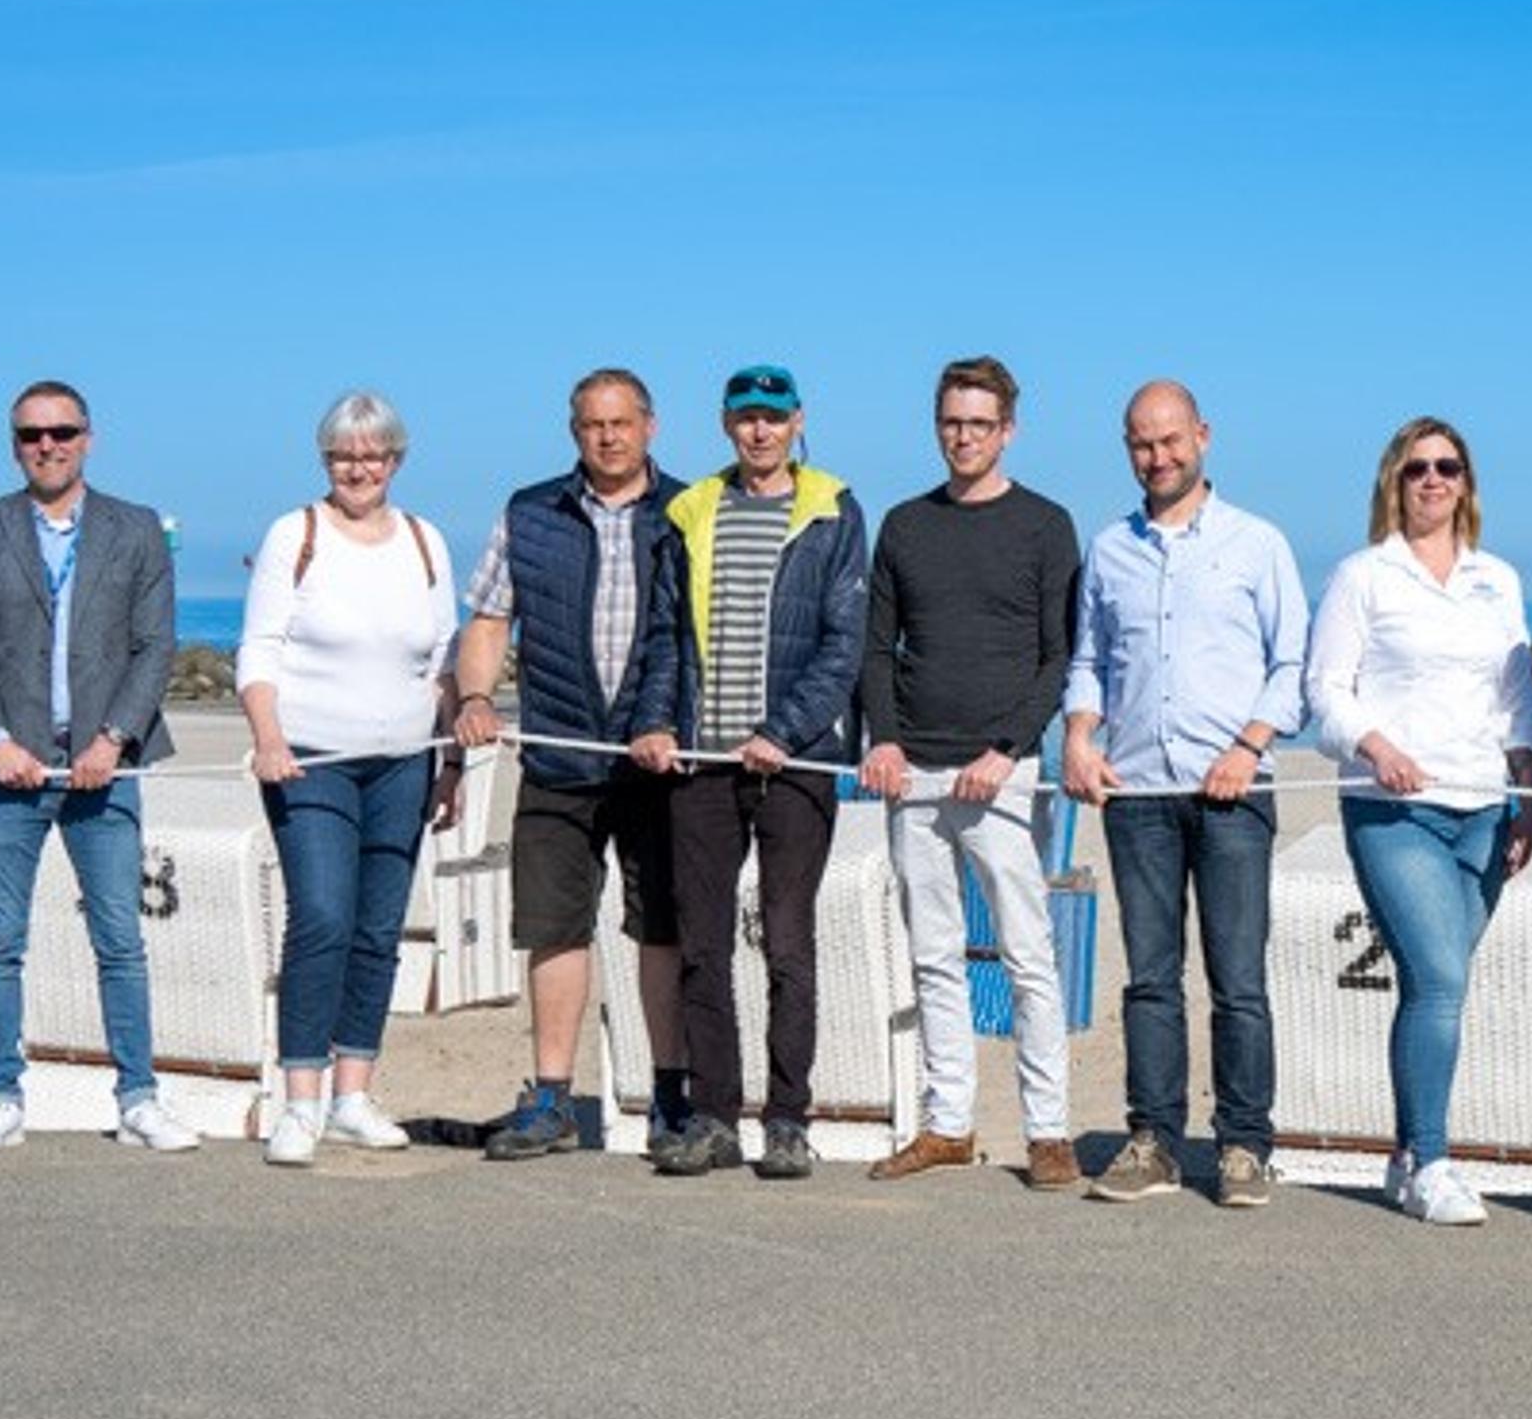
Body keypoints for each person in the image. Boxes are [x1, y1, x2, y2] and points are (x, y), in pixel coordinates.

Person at [623, 364, 869, 1182]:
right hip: (700, 763)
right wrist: (656, 722)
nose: (759, 431)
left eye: (773, 417)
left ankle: (789, 1120)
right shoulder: (690, 513)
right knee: (703, 947)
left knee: (789, 944)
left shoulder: (834, 511)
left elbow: (844, 646)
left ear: (798, 422)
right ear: (726, 425)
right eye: (745, 418)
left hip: (793, 764)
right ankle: (715, 1117)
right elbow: (666, 636)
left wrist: (783, 729)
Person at [1065, 380, 1308, 1210]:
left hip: (1233, 793)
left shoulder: (1257, 543)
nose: (1158, 456)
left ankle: (1244, 1145)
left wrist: (1248, 748)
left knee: (1238, 977)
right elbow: (1088, 660)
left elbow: (1293, 668)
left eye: (1171, 440)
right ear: (1127, 447)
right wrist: (1077, 736)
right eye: (1142, 443)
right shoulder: (1108, 550)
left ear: (1202, 435)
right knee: (1149, 978)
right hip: (1137, 793)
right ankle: (1154, 1141)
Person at [0, 379, 197, 1157]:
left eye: (60, 431)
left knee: (120, 938)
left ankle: (139, 1096)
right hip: (9, 769)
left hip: (103, 768)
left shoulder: (136, 527)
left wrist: (112, 738)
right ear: (14, 443)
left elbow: (153, 645)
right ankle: (1, 1094)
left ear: (88, 436)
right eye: (30, 434)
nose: (46, 445)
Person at [1307, 418, 1532, 1228]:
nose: (1433, 480)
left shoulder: (1498, 579)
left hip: (1484, 809)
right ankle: (1436, 1161)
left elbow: (1518, 696)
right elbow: (1325, 692)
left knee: (1432, 985)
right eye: (1417, 469)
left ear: (1467, 482)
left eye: (1448, 467)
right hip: (1393, 809)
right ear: (1393, 482)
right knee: (1442, 979)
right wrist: (1376, 745)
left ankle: (1404, 1155)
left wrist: (1529, 792)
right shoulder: (1362, 576)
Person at [859, 358, 1084, 1188]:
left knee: (1028, 954)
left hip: (1004, 774)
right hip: (913, 770)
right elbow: (877, 647)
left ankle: (1048, 1131)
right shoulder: (905, 524)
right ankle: (948, 1122)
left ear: (1008, 430)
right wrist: (883, 738)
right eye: (953, 422)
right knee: (934, 953)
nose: (965, 437)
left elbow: (1060, 655)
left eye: (980, 424)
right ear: (937, 425)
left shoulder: (1045, 524)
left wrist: (1009, 748)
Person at [450, 368, 686, 1161]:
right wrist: (475, 697)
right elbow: (488, 618)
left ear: (650, 426)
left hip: (658, 760)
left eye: (622, 422)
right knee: (553, 930)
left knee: (663, 928)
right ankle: (551, 1098)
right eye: (592, 424)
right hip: (556, 751)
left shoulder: (688, 511)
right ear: (573, 430)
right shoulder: (530, 511)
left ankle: (671, 1099)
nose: (608, 436)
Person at [239, 391, 459, 1168]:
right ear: (325, 459)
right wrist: (267, 737)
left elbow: (441, 663)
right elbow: (258, 651)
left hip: (403, 762)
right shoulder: (292, 535)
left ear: (395, 458)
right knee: (323, 916)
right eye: (343, 454)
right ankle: (298, 1097)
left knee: (377, 929)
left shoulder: (427, 541)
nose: (358, 467)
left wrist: (451, 760)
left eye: (373, 454)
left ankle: (352, 1093)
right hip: (310, 759)